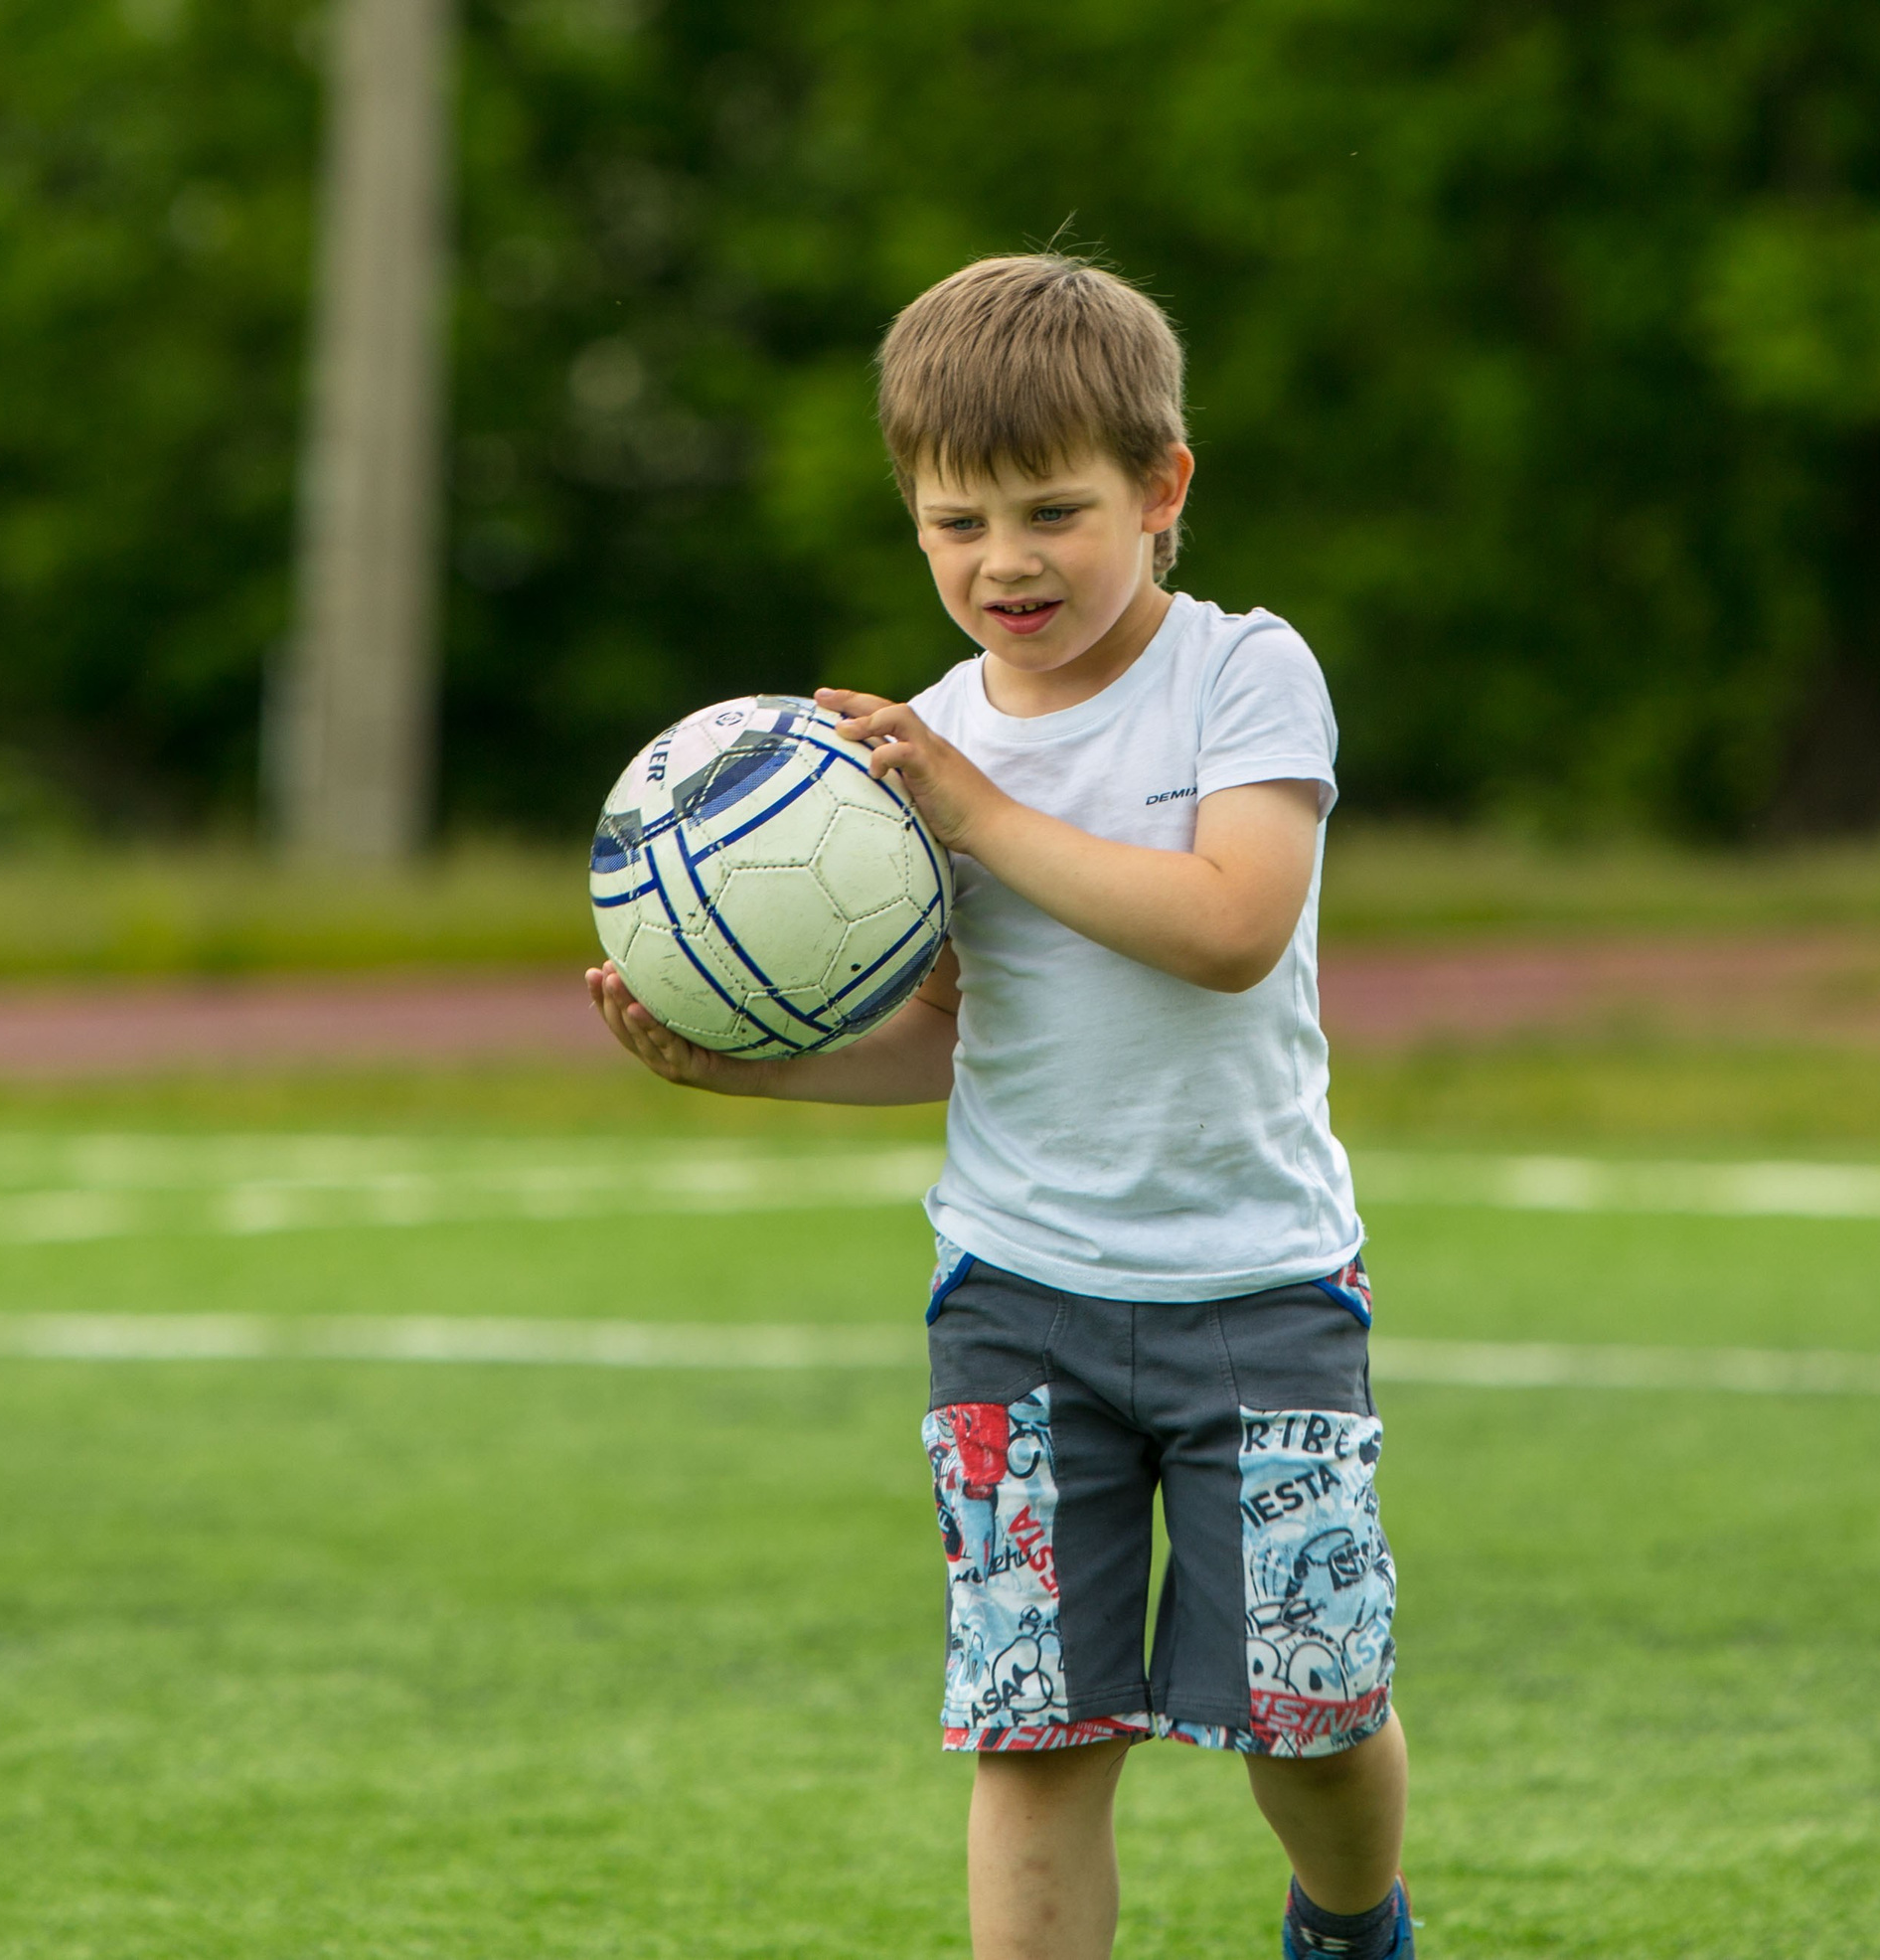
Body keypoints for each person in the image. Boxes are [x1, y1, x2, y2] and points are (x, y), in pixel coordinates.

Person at [587, 251, 1413, 1960]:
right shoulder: (911, 759)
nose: (1006, 563)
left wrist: (975, 810)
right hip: (1017, 1305)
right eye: (959, 524)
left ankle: (1350, 1925)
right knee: (1036, 1733)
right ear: (912, 518)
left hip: (1257, 1293)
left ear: (1162, 489)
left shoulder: (1239, 676)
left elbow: (1230, 931)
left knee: (1310, 1719)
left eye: (1054, 510)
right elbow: (944, 1039)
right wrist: (742, 1065)